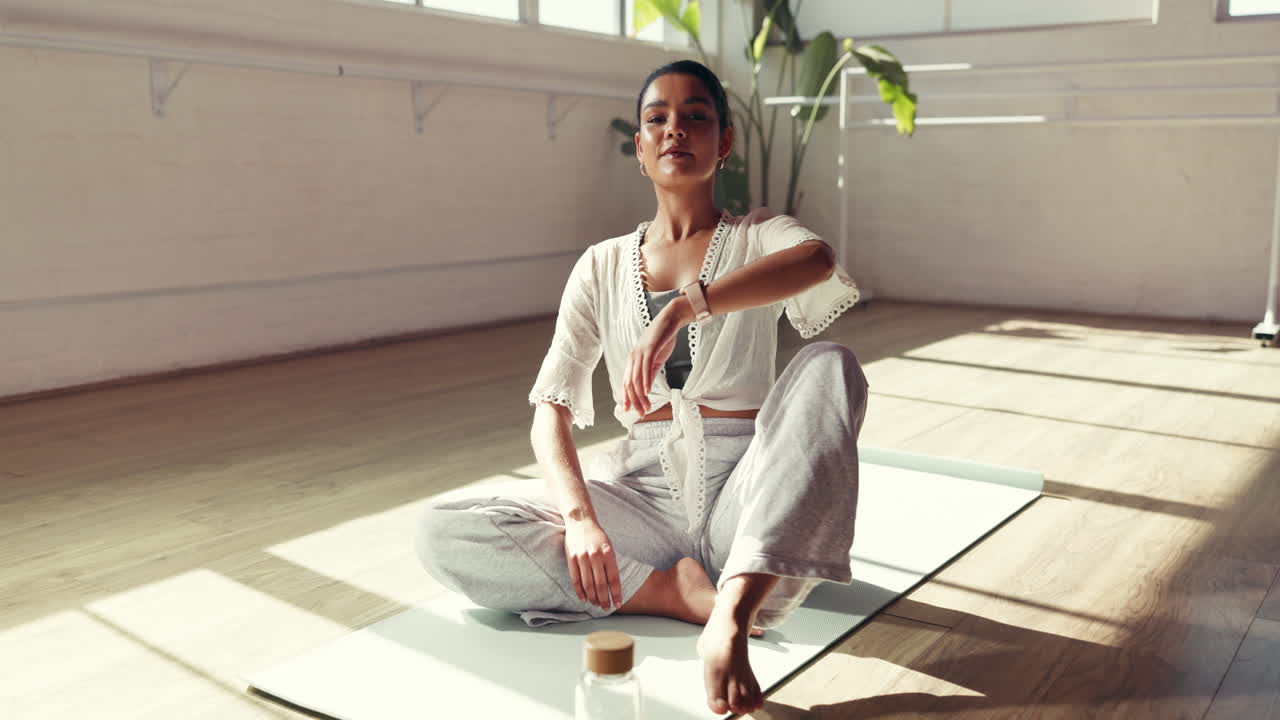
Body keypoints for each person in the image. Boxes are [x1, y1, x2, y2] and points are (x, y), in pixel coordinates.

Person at [415, 59, 870, 716]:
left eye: (696, 117)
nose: (675, 131)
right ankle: (667, 594)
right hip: (640, 503)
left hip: (749, 503)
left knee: (833, 366)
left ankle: (732, 615)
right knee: (440, 532)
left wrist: (686, 306)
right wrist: (579, 522)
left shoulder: (757, 235)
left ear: (725, 142)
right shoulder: (600, 266)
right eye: (657, 119)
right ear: (640, 149)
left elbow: (818, 261)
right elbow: (552, 409)